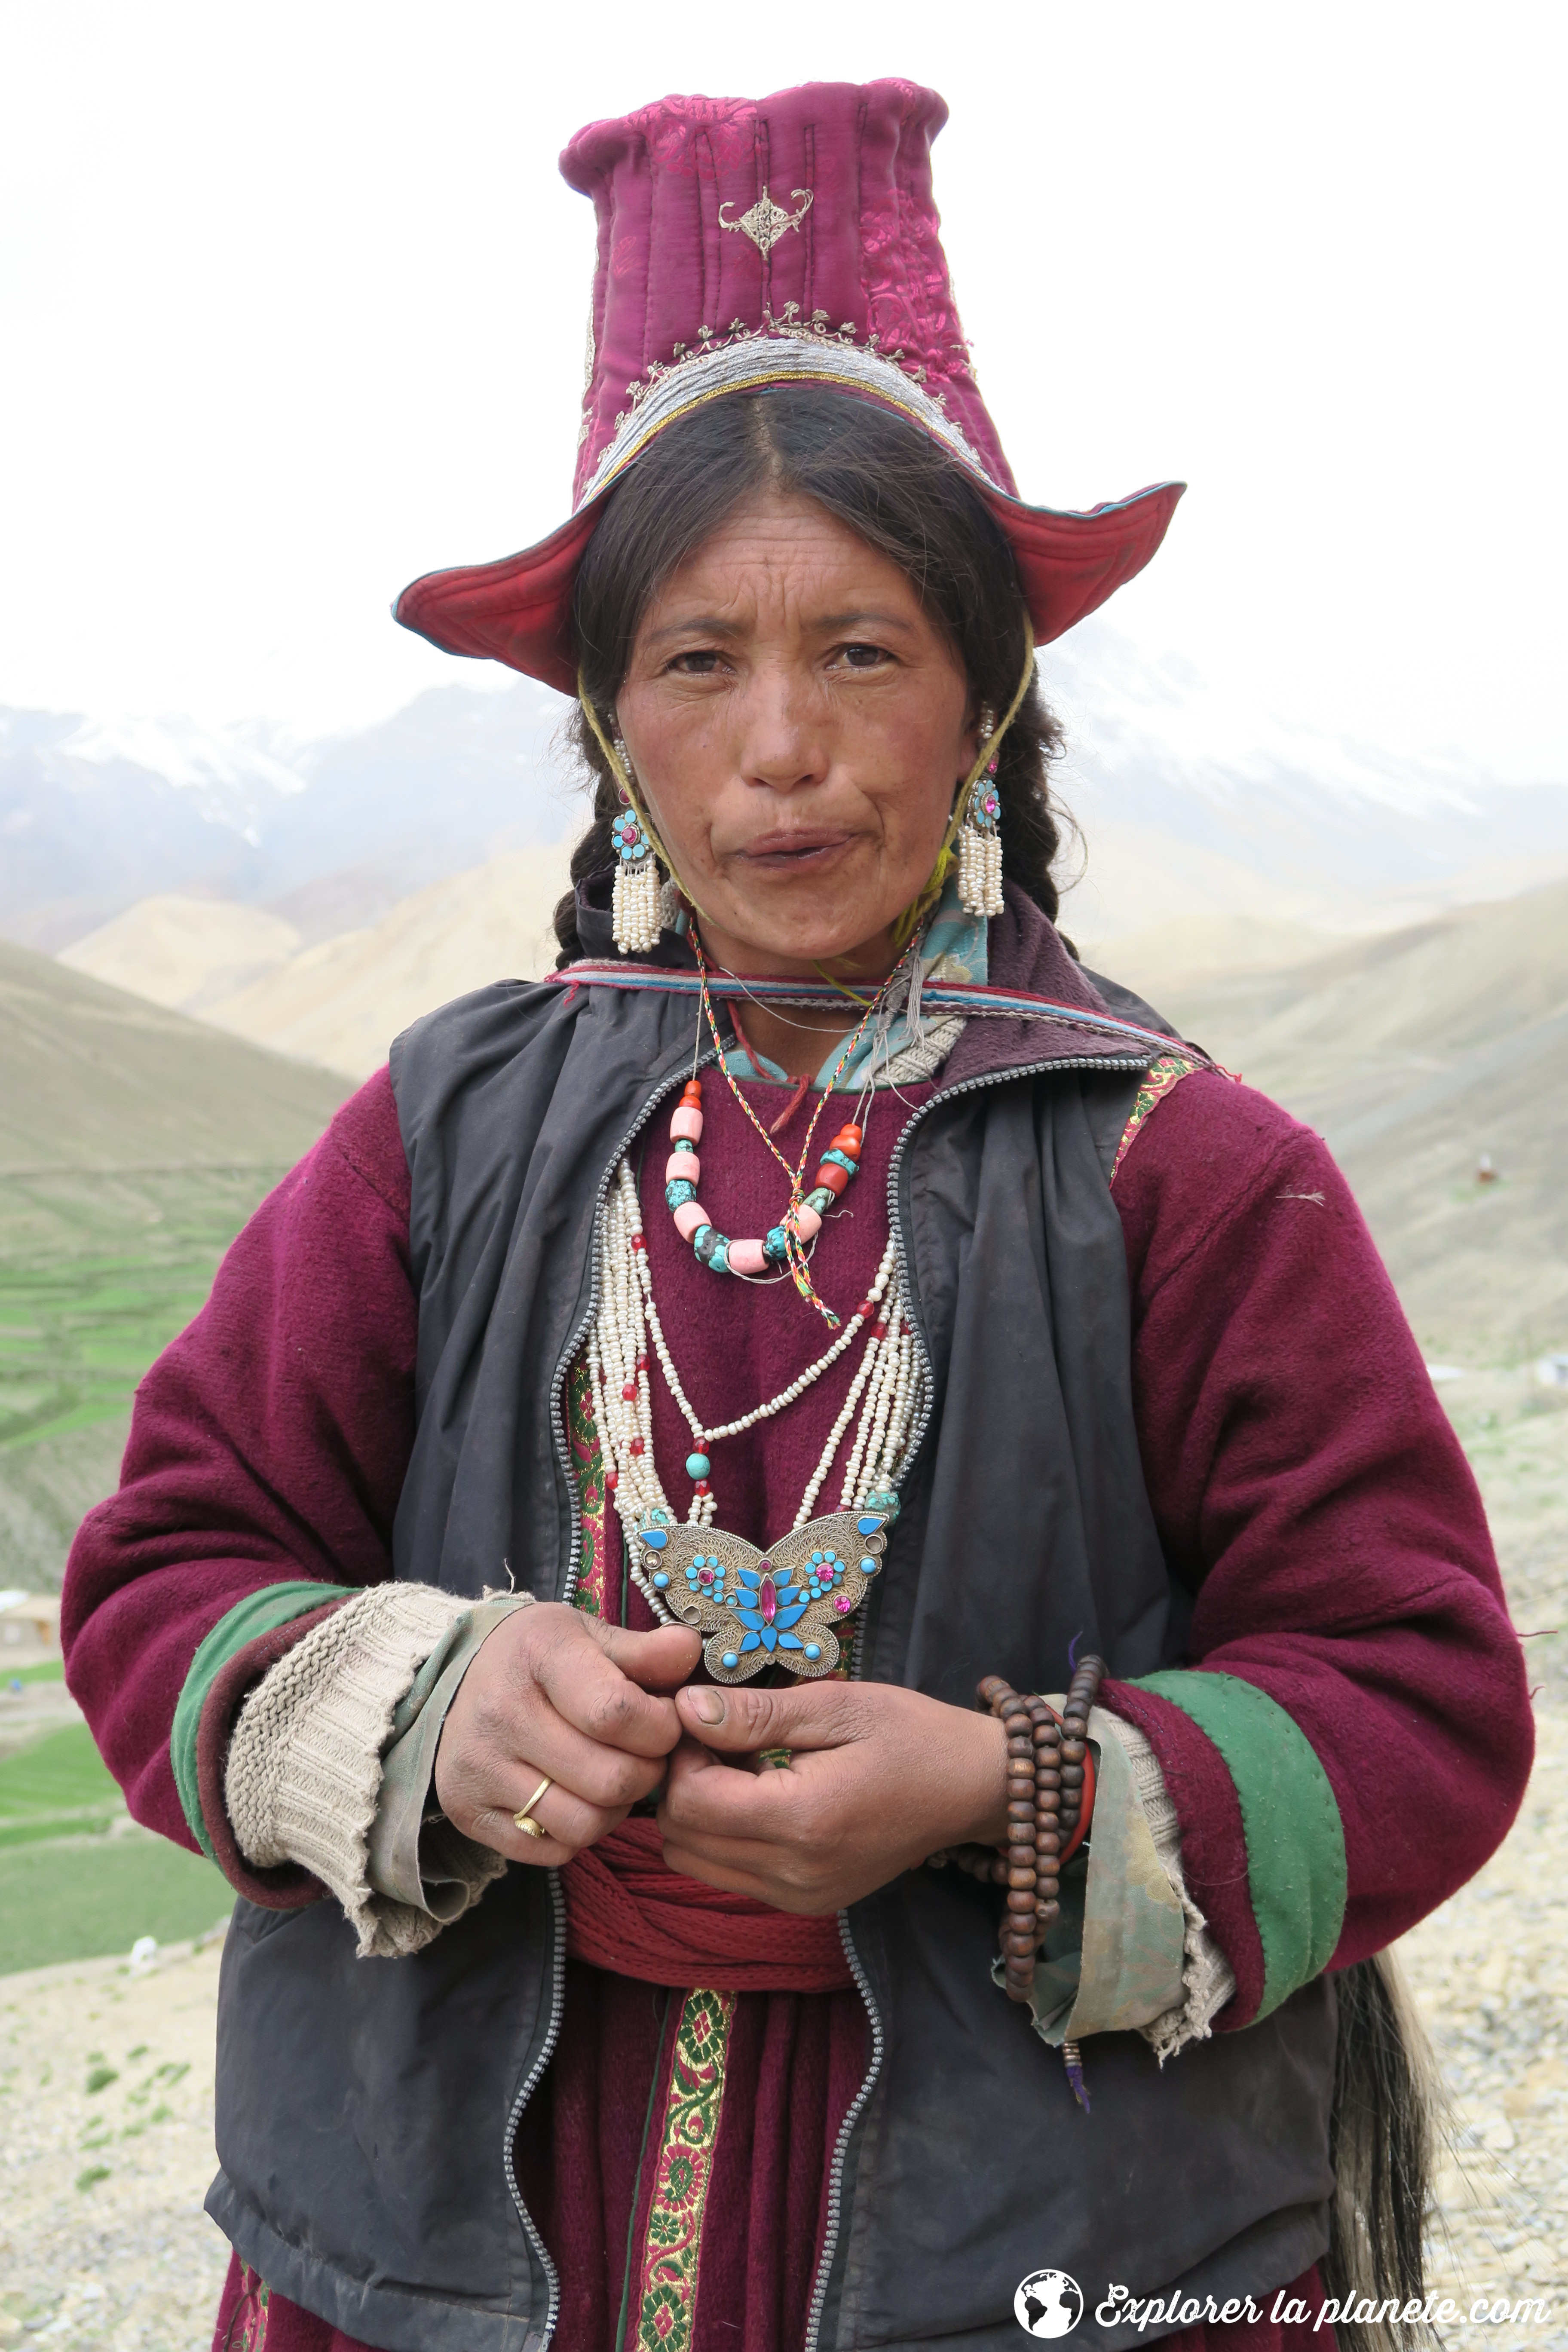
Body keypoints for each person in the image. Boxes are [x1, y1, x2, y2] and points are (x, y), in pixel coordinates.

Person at [63, 78, 1531, 2352]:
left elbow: (1424, 1699)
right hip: (456, 2249)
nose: (782, 748)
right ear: (606, 731)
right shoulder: (443, 1131)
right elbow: (166, 1573)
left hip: (1038, 2260)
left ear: (986, 701)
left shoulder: (1189, 1175)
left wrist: (1006, 1790)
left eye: (860, 651)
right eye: (695, 664)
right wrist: (429, 1706)